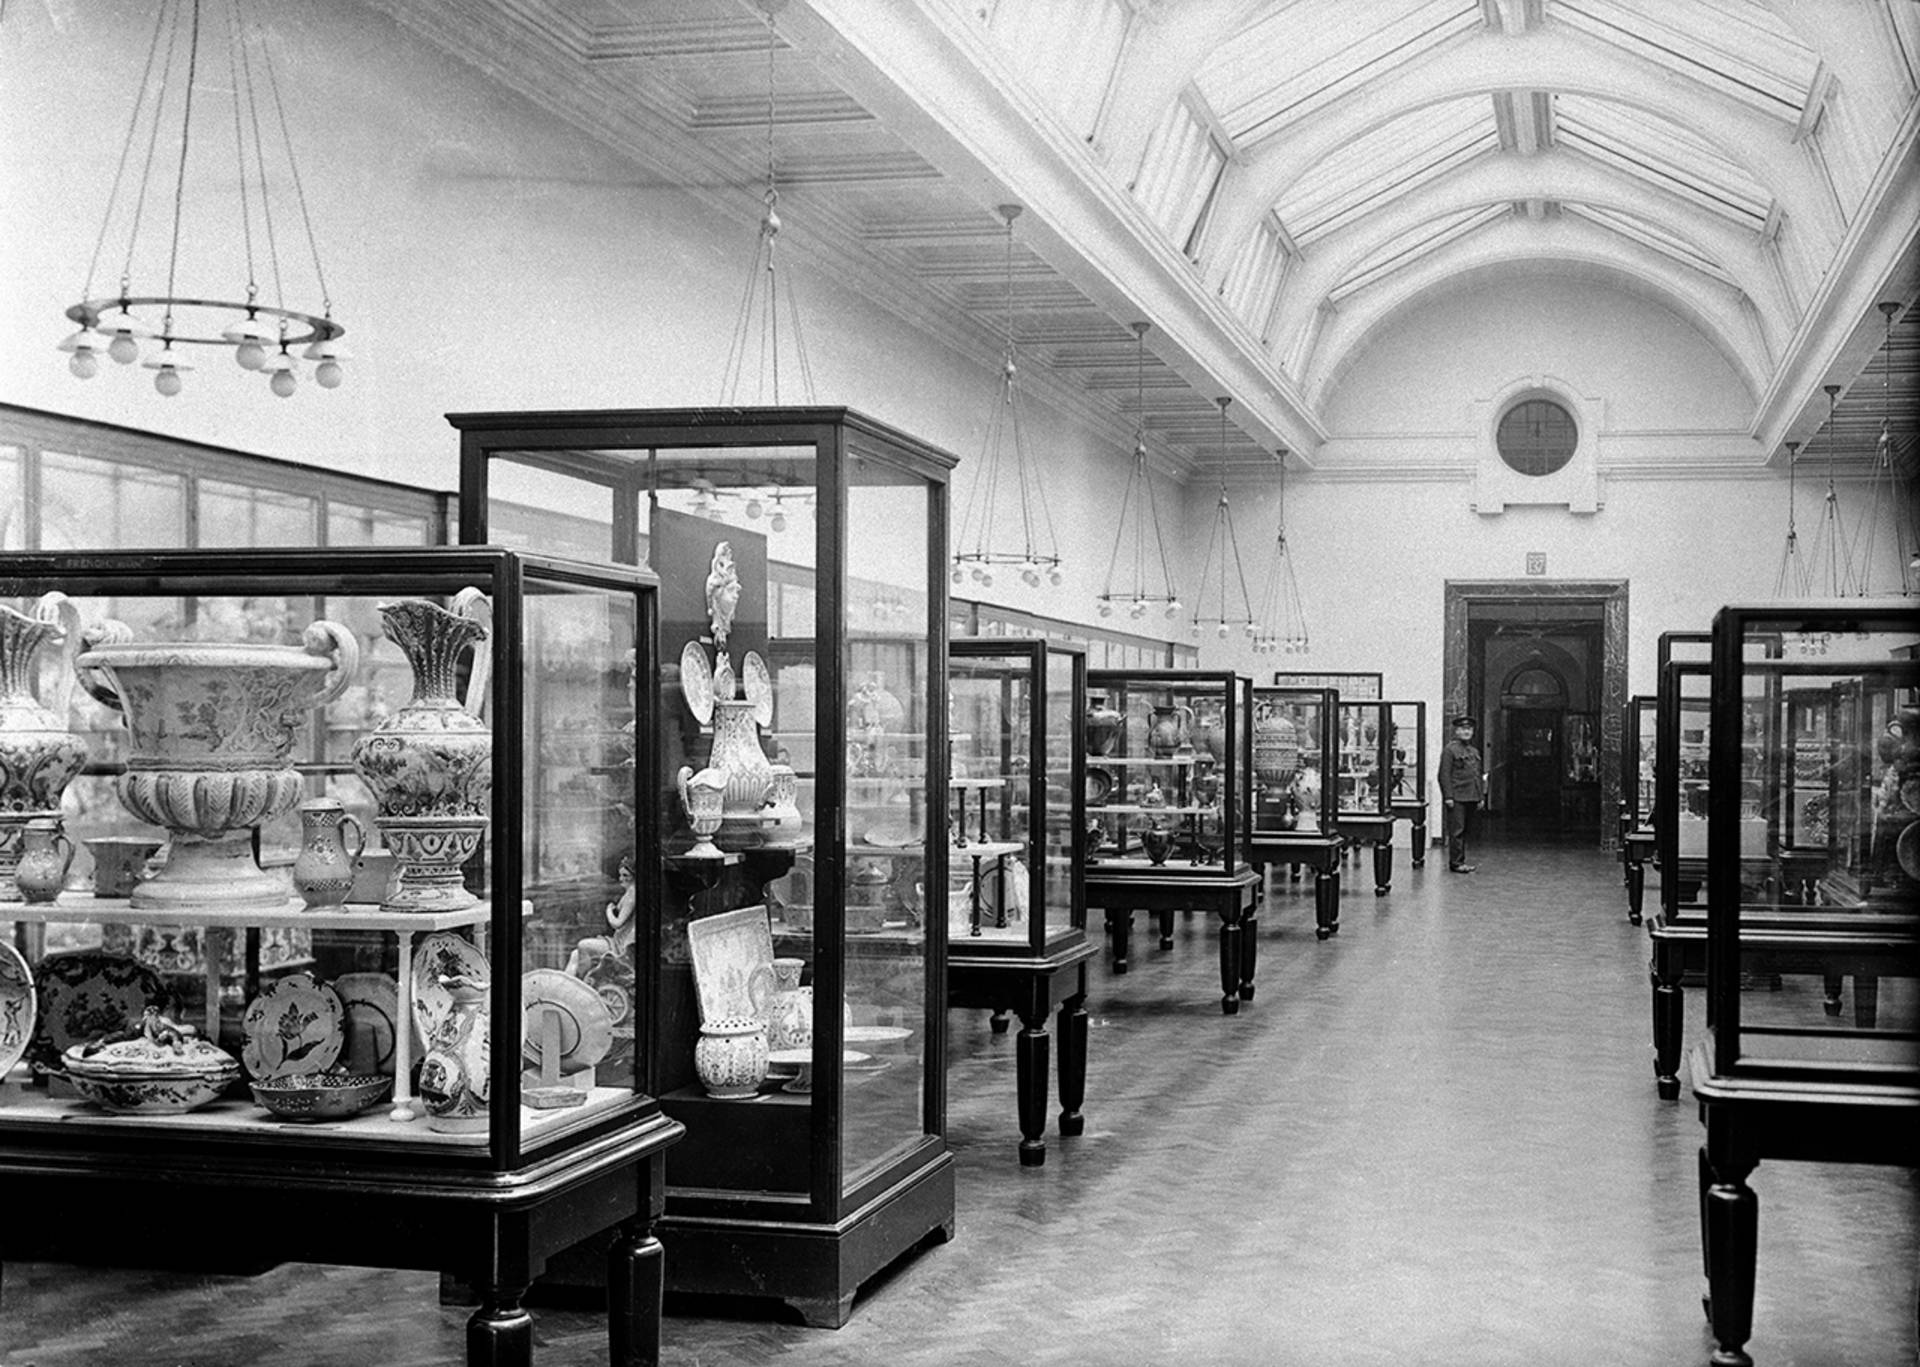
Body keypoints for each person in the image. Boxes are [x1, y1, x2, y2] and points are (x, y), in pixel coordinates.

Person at [1439, 714, 1487, 873]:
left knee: (1465, 830)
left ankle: (1461, 860)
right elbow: (1444, 775)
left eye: (1469, 729)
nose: (1466, 732)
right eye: (1463, 729)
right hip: (1457, 796)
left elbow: (1476, 775)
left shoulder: (1473, 751)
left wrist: (1480, 797)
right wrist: (1448, 796)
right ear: (1456, 731)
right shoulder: (1450, 750)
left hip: (1471, 796)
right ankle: (1456, 863)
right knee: (1457, 831)